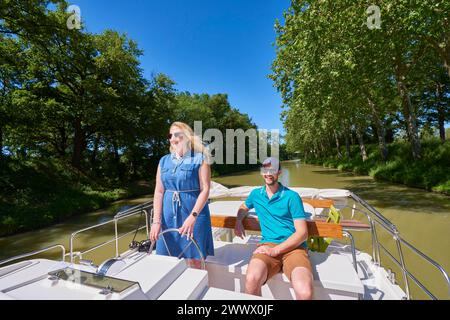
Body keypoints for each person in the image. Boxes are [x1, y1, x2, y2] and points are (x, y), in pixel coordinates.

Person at [234, 157, 313, 300]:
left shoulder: (292, 197)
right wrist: (238, 221)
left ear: (279, 172)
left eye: (272, 170)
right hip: (268, 245)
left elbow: (302, 233)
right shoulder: (256, 194)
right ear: (261, 172)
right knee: (251, 279)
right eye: (265, 170)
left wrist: (276, 250)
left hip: (294, 248)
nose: (268, 173)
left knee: (305, 292)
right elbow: (243, 207)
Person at [150, 122, 214, 268]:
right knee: (167, 258)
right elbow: (159, 192)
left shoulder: (201, 159)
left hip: (194, 214)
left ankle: (198, 287)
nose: (172, 138)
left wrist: (193, 217)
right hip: (168, 217)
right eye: (170, 135)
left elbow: (205, 189)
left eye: (176, 134)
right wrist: (156, 221)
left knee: (195, 259)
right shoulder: (163, 161)